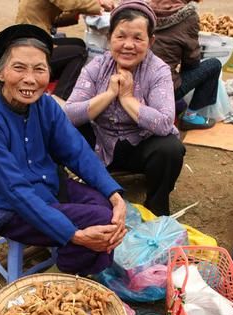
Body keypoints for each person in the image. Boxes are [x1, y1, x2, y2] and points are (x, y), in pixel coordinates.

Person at [0, 24, 127, 276]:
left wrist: (115, 196)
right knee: (100, 220)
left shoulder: (45, 106)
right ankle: (71, 277)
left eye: (39, 69)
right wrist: (74, 235)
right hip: (8, 208)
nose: (30, 79)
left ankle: (87, 268)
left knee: (107, 208)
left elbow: (77, 152)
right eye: (19, 67)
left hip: (48, 185)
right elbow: (15, 191)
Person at [65, 0, 185, 216]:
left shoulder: (158, 71)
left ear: (151, 41)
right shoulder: (97, 66)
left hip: (140, 145)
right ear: (110, 37)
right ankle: (78, 192)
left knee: (170, 148)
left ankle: (156, 207)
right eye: (121, 36)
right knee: (64, 130)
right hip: (98, 144)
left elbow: (165, 123)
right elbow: (69, 114)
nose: (128, 45)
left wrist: (128, 99)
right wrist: (109, 94)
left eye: (138, 38)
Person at [15, 0, 115, 100]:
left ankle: (54, 81)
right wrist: (99, 4)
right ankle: (59, 98)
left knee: (78, 43)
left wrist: (81, 11)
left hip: (35, 38)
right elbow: (70, 2)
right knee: (79, 53)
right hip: (33, 46)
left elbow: (57, 18)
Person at [149, 0, 221, 130]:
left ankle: (174, 102)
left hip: (135, 84)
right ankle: (190, 116)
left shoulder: (144, 9)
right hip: (164, 88)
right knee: (214, 65)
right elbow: (191, 60)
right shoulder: (188, 16)